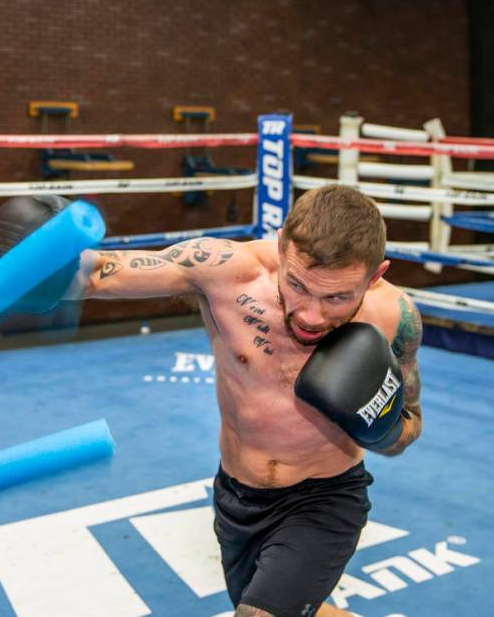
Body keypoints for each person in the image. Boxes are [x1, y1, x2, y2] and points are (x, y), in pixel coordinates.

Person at [83, 184, 423, 617]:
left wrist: (384, 424)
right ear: (282, 247)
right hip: (236, 497)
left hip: (325, 498)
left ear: (375, 275)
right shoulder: (227, 270)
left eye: (337, 297)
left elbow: (409, 426)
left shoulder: (396, 316)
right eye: (297, 285)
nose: (311, 315)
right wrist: (23, 260)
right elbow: (95, 274)